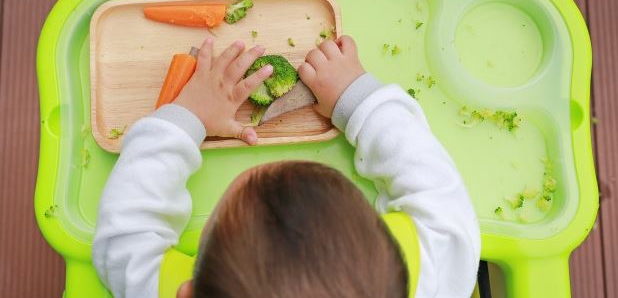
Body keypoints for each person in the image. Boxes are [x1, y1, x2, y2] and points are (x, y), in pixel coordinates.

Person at [93, 35, 480, 298]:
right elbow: (438, 190)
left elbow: (125, 235)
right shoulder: (431, 275)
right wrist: (355, 97)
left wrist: (187, 116)